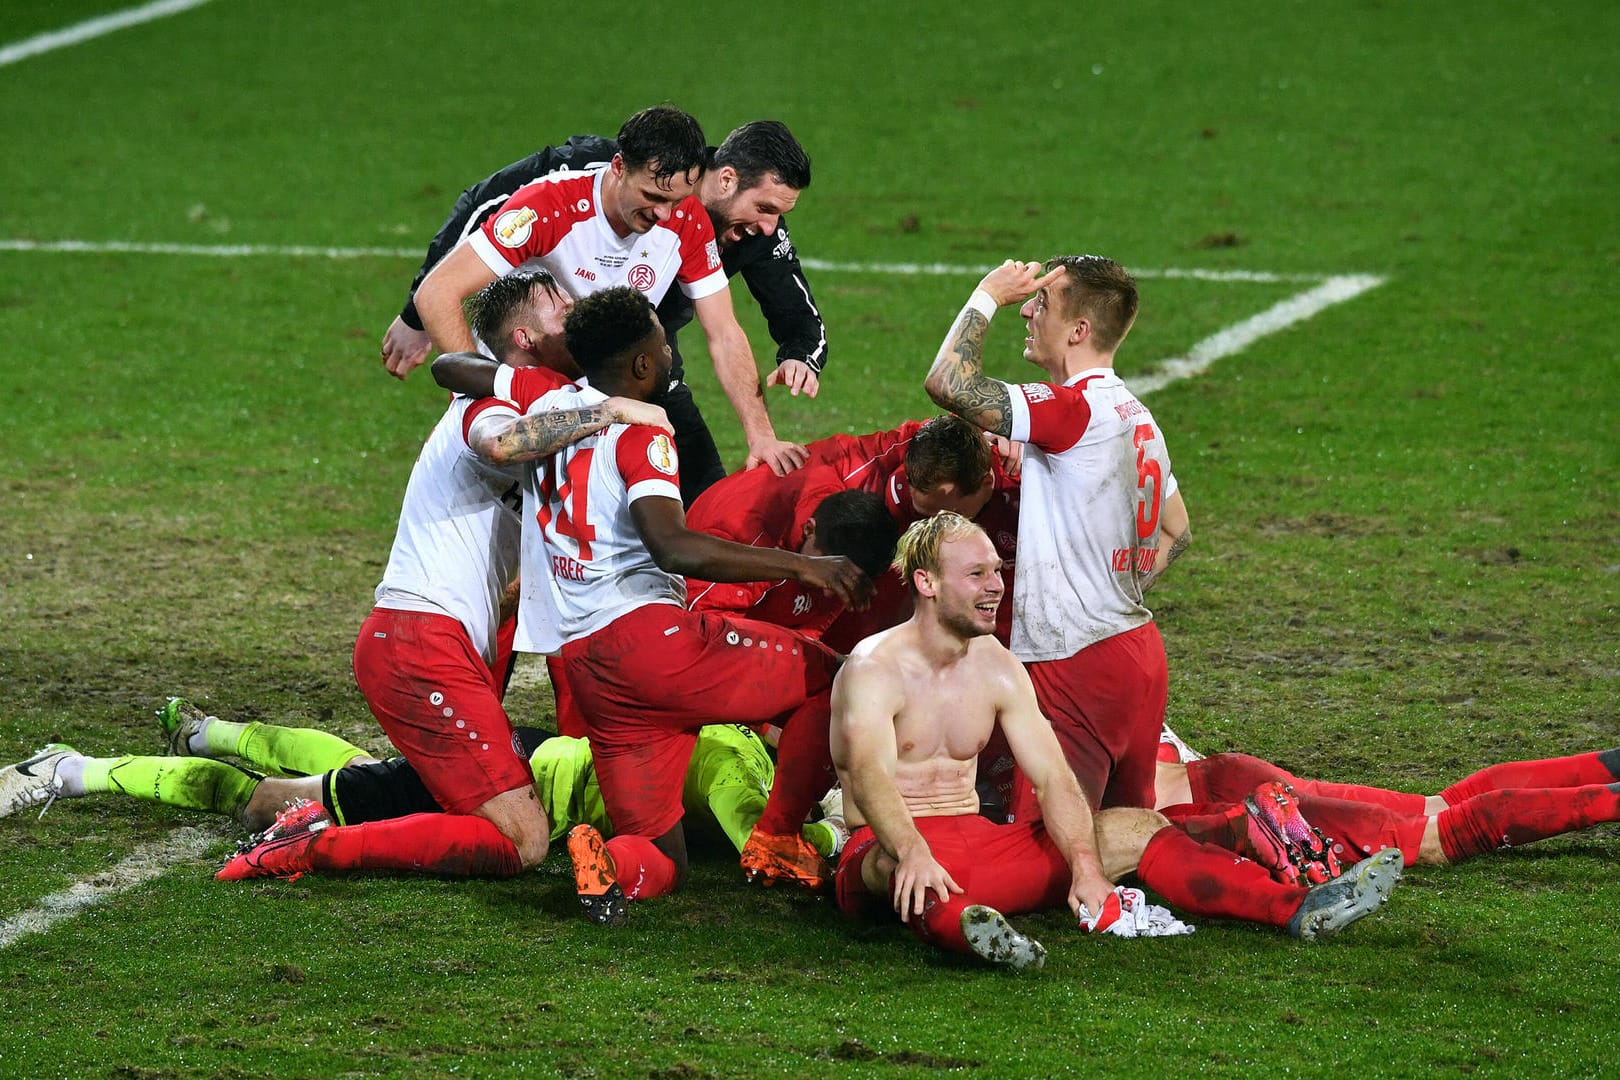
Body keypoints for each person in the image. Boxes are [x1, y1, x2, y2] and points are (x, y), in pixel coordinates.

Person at [212, 272, 670, 884]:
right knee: (524, 840)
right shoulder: (487, 405)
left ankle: (277, 800)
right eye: (564, 309)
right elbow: (504, 445)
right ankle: (303, 848)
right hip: (418, 642)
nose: (580, 313)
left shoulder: (551, 399)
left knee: (470, 795)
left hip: (434, 640)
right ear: (527, 337)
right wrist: (610, 409)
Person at [829, 513, 1404, 969]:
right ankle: (973, 935)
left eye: (997, 571)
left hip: (978, 843)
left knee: (1137, 825)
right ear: (926, 583)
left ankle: (1295, 907)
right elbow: (873, 776)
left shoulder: (997, 667)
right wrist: (913, 851)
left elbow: (1053, 776)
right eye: (976, 575)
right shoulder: (874, 667)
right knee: (891, 866)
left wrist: (1085, 865)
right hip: (887, 851)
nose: (995, 587)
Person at [499, 286, 870, 925]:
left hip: (589, 665)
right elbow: (673, 547)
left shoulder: (556, 409)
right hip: (649, 642)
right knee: (835, 677)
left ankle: (609, 862)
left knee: (662, 854)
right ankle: (780, 836)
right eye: (663, 342)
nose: (671, 350)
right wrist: (803, 565)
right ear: (644, 365)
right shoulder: (643, 434)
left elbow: (464, 370)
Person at [409, 107, 808, 502]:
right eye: (652, 196)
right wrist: (480, 392)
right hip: (516, 407)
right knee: (497, 550)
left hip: (597, 405)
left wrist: (761, 436)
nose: (664, 214)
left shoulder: (686, 220)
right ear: (618, 166)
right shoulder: (552, 206)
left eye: (677, 200)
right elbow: (437, 292)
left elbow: (723, 332)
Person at [923, 256, 1191, 817]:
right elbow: (1176, 529)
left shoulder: (1073, 409)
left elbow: (947, 382)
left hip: (1075, 660)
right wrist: (1114, 582)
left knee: (1046, 845)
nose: (1027, 308)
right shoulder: (1138, 415)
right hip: (1136, 646)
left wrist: (985, 295)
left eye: (1042, 301)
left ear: (1078, 331)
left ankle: (1257, 848)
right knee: (1127, 831)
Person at [0, 700, 834, 858]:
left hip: (529, 752)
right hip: (506, 784)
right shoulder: (735, 761)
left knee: (360, 769)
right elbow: (767, 844)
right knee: (263, 804)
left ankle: (212, 727)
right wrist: (840, 831)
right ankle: (71, 771)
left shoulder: (729, 729)